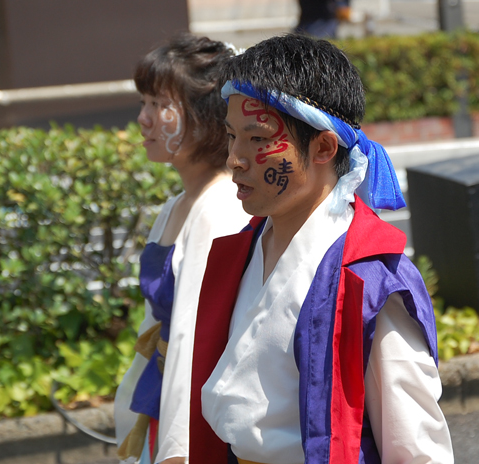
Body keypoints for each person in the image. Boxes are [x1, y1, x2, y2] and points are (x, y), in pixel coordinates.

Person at [189, 34, 454, 464]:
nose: (234, 159)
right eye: (232, 136)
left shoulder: (368, 279)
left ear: (323, 147)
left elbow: (416, 449)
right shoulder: (240, 251)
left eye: (257, 140)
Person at [114, 34, 250, 464]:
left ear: (206, 117)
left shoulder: (221, 207)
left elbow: (196, 343)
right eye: (144, 103)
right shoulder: (180, 204)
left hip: (198, 409)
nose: (144, 119)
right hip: (168, 392)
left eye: (159, 105)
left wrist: (178, 451)